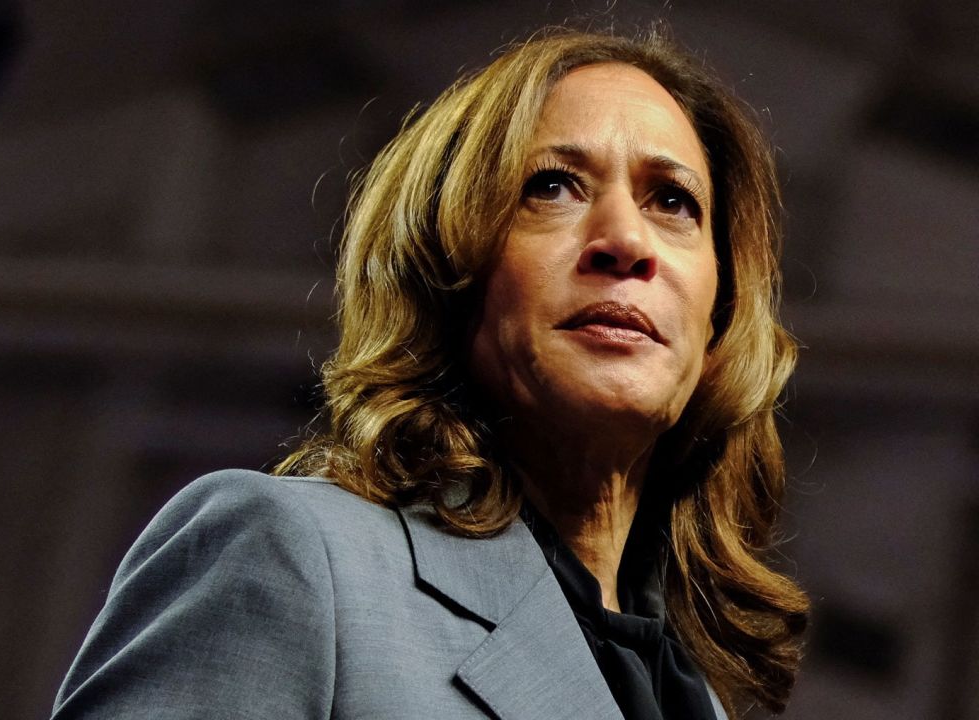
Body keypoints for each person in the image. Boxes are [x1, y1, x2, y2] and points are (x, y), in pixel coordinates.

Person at [51, 26, 809, 720]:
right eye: (551, 186)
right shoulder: (292, 556)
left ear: (719, 316)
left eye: (673, 201)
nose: (625, 241)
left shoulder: (692, 697)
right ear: (447, 268)